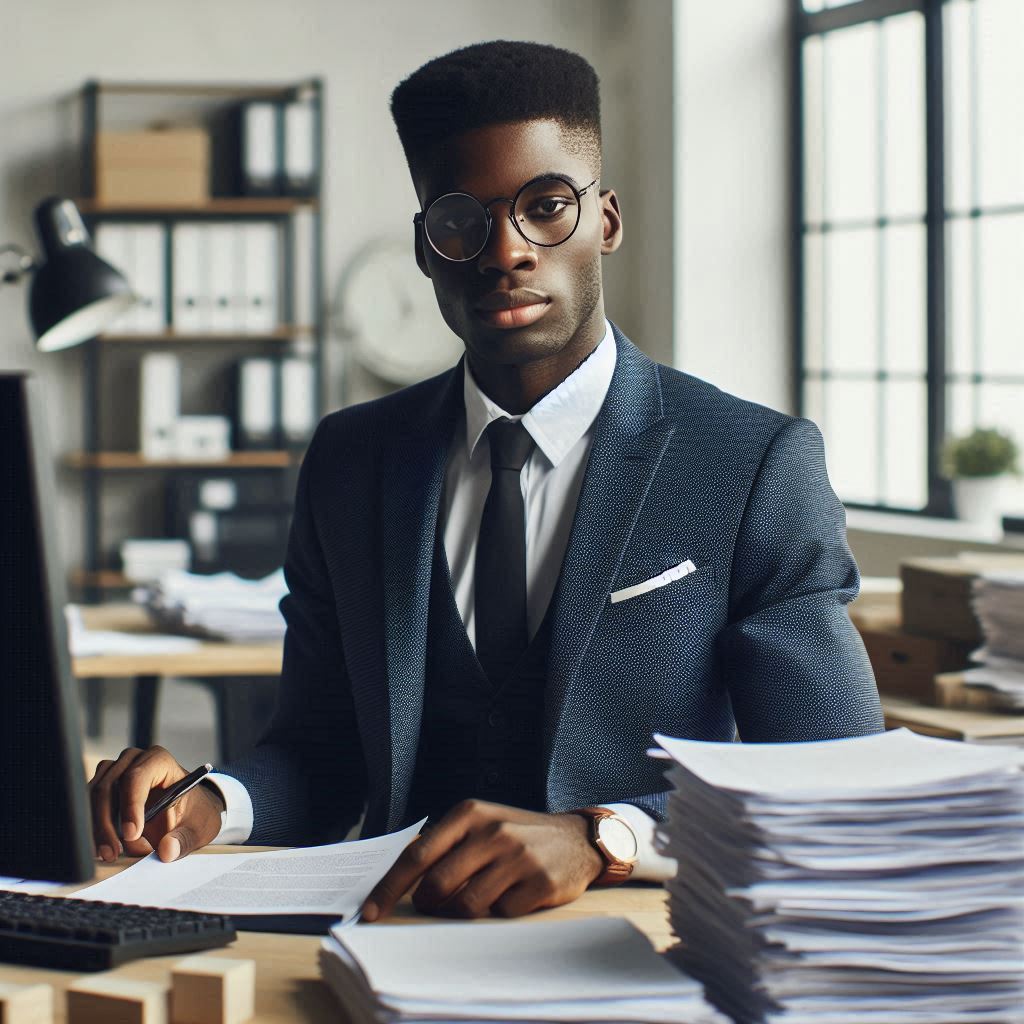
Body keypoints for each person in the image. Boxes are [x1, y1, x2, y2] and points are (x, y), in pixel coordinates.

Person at [88, 40, 883, 920]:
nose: (505, 251)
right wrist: (207, 802)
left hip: (637, 944)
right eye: (462, 220)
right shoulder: (353, 461)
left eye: (546, 207)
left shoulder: (750, 462)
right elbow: (318, 752)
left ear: (606, 222)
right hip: (392, 936)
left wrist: (605, 837)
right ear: (428, 250)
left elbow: (830, 777)